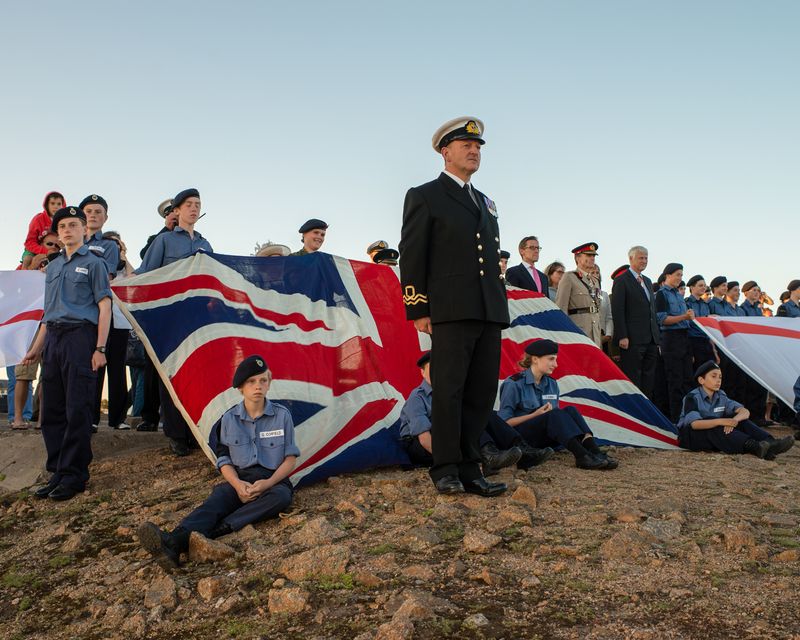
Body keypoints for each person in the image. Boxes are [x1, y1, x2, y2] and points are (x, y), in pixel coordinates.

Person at [398, 116, 509, 497]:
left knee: (481, 392)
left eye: (477, 146)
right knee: (448, 391)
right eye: (466, 146)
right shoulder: (425, 195)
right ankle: (444, 467)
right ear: (446, 153)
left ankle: (470, 466)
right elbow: (413, 256)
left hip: (486, 308)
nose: (475, 151)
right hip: (449, 308)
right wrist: (418, 307)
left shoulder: (485, 202)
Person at [136, 355, 298, 568]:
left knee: (281, 497)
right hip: (239, 478)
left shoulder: (282, 415)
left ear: (269, 383)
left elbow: (290, 458)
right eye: (251, 381)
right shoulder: (228, 419)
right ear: (240, 387)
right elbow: (224, 460)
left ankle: (215, 531)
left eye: (263, 380)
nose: (258, 386)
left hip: (272, 481)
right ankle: (173, 540)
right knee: (217, 500)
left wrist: (267, 483)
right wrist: (238, 485)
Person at [21, 207, 111, 501]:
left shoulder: (95, 264)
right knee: (52, 411)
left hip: (80, 338)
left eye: (74, 225)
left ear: (85, 230)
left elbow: (104, 307)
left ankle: (74, 475)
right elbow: (48, 314)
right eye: (62, 227)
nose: (68, 230)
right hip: (54, 340)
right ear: (58, 234)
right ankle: (57, 471)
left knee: (77, 408)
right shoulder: (55, 266)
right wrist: (35, 349)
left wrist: (100, 348)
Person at [138, 188, 213, 455]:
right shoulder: (165, 242)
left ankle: (195, 430)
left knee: (196, 373)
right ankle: (176, 433)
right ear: (177, 211)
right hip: (170, 317)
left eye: (197, 204)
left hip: (198, 319)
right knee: (171, 374)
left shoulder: (206, 244)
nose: (193, 208)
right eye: (188, 205)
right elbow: (145, 276)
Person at [398, 352, 553, 473]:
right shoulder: (417, 398)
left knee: (484, 413)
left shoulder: (452, 394)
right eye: (432, 369)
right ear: (422, 373)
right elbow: (425, 439)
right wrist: (452, 463)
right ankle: (488, 457)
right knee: (463, 418)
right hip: (420, 445)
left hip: (448, 439)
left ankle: (522, 451)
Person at [498, 340, 617, 470]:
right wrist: (535, 415)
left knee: (570, 410)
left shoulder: (552, 383)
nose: (555, 364)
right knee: (554, 414)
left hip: (544, 437)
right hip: (522, 440)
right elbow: (504, 423)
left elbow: (558, 419)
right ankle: (582, 456)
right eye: (551, 359)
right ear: (535, 359)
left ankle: (595, 452)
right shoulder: (514, 384)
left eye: (556, 359)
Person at [81, 194, 131, 431]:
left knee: (116, 367)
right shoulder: (72, 243)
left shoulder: (109, 246)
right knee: (91, 366)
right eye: (89, 211)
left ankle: (117, 418)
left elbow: (106, 277)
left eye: (98, 212)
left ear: (105, 217)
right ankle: (90, 417)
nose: (93, 215)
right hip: (83, 316)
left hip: (108, 315)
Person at [677, 361, 794, 459]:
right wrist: (722, 421)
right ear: (701, 380)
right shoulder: (691, 398)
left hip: (715, 436)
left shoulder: (721, 395)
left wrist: (734, 420)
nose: (718, 380)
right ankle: (754, 447)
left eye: (720, 377)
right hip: (691, 437)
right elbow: (695, 424)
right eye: (713, 376)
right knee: (714, 423)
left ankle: (771, 442)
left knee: (740, 420)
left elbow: (745, 411)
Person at [610, 246, 660, 401]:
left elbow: (652, 311)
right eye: (640, 258)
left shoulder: (648, 281)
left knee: (649, 381)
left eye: (646, 258)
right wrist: (622, 336)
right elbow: (618, 311)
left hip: (651, 340)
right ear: (631, 259)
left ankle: (648, 415)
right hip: (632, 340)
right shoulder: (621, 281)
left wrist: (657, 338)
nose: (644, 261)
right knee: (634, 380)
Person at [654, 263, 694, 422]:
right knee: (675, 380)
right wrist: (684, 317)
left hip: (684, 338)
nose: (680, 278)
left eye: (681, 275)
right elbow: (662, 319)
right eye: (677, 274)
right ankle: (675, 418)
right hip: (671, 339)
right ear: (667, 275)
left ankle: (687, 415)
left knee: (687, 379)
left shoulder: (678, 295)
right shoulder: (662, 295)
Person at [556, 243, 602, 347]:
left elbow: (598, 307)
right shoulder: (569, 277)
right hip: (578, 331)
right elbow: (561, 307)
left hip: (595, 332)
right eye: (588, 255)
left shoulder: (595, 281)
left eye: (593, 256)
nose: (592, 258)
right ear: (577, 258)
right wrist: (565, 332)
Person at [22, 191, 66, 263]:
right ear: (47, 205)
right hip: (34, 250)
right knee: (27, 259)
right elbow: (29, 242)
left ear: (63, 206)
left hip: (54, 250)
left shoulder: (63, 222)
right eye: (52, 203)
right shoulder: (38, 219)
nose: (56, 206)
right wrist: (45, 251)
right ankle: (24, 272)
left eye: (59, 204)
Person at [684, 275, 717, 368]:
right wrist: (706, 318)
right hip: (693, 341)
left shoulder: (705, 304)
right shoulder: (686, 303)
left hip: (706, 341)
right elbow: (689, 322)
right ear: (692, 287)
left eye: (704, 285)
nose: (704, 287)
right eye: (700, 285)